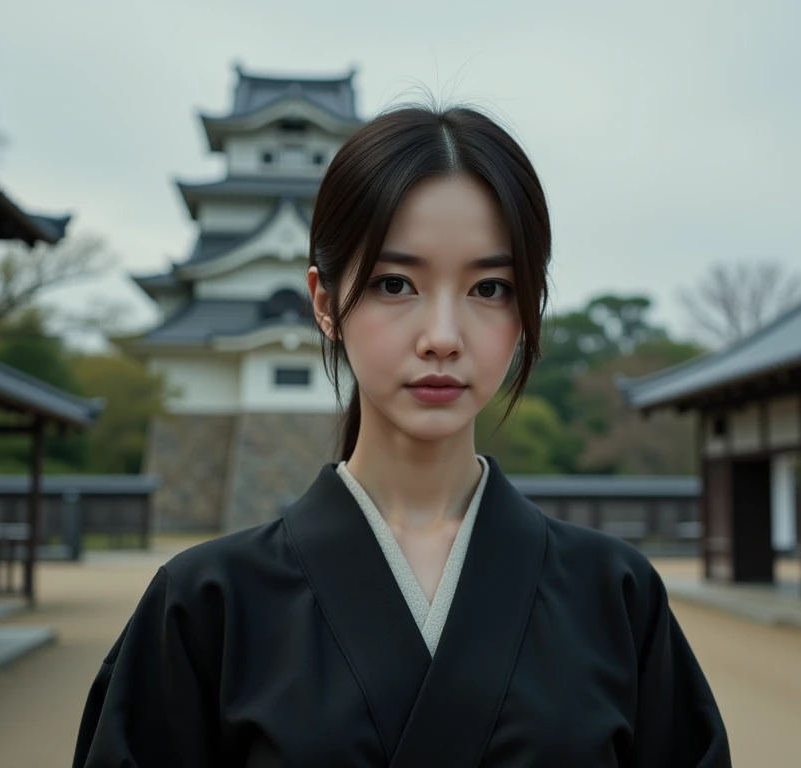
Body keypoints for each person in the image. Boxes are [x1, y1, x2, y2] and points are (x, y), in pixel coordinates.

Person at [73, 104, 731, 767]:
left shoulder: (614, 595)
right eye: (395, 283)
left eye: (490, 287)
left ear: (529, 309)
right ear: (325, 303)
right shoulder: (206, 605)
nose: (442, 336)